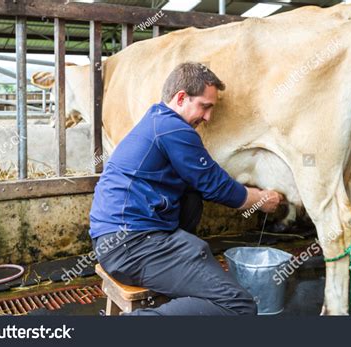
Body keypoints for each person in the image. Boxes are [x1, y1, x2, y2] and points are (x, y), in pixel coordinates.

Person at [89, 62, 283, 315]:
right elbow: (214, 185)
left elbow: (199, 185)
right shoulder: (174, 128)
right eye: (205, 106)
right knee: (239, 306)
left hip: (122, 241)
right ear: (181, 97)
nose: (208, 117)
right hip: (133, 246)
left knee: (191, 199)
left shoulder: (155, 121)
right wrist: (260, 199)